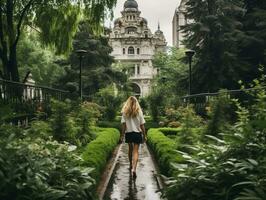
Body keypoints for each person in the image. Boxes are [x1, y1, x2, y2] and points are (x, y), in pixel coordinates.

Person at [120, 96, 147, 179]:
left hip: (129, 133)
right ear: (136, 102)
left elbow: (124, 125)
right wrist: (144, 135)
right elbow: (142, 125)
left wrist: (122, 135)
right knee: (136, 151)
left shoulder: (125, 112)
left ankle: (131, 165)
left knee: (130, 149)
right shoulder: (139, 112)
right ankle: (134, 169)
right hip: (137, 134)